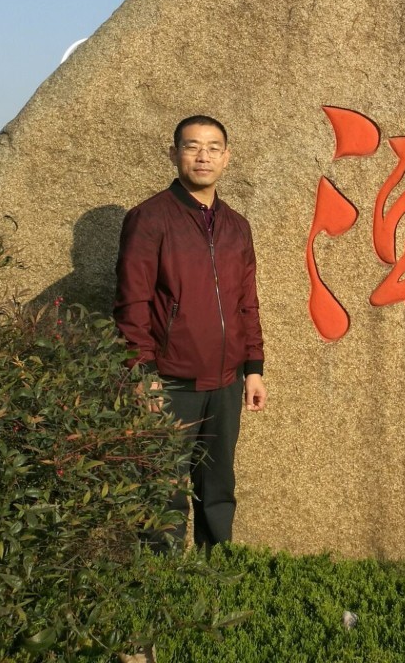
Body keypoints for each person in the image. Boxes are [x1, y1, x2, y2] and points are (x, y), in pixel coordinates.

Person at [114, 115, 267, 552]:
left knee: (218, 485)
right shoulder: (150, 218)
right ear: (173, 153)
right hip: (169, 380)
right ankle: (164, 585)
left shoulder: (237, 225)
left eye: (213, 147)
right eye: (192, 146)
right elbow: (132, 303)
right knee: (163, 487)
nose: (203, 156)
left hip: (225, 380)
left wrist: (253, 367)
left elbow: (246, 303)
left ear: (227, 157)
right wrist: (141, 370)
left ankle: (216, 569)